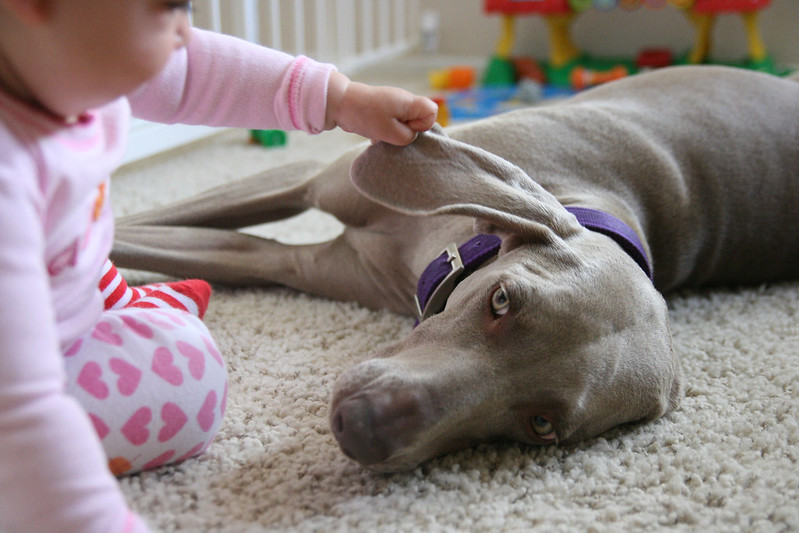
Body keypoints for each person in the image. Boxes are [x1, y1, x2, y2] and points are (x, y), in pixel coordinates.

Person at [0, 1, 438, 531]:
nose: (186, 32)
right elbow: (19, 414)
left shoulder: (66, 58)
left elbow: (192, 73)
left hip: (58, 287)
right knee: (188, 378)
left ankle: (111, 301)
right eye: (169, 9)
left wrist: (339, 99)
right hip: (20, 374)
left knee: (94, 264)